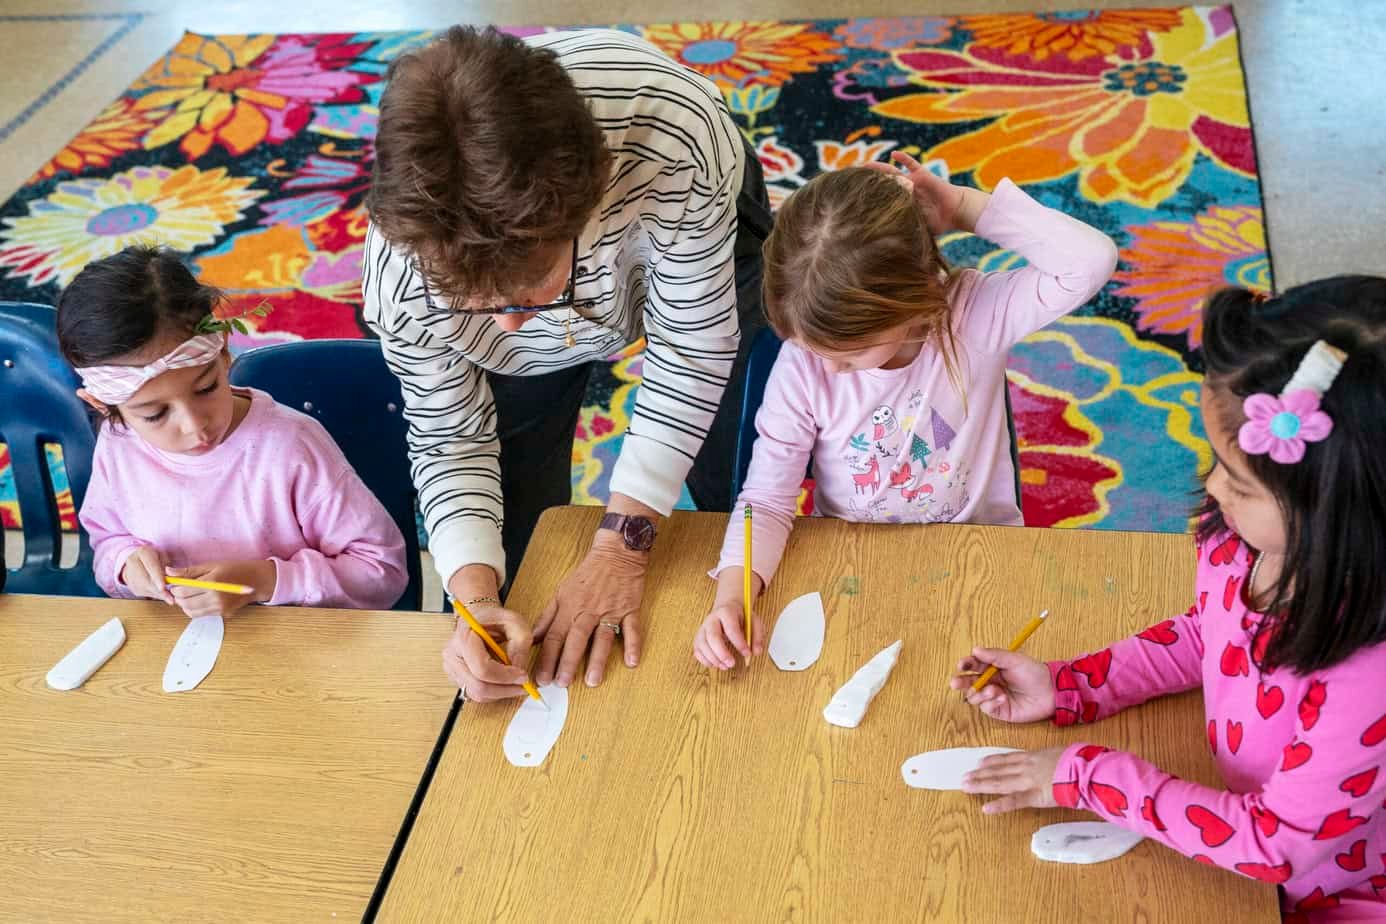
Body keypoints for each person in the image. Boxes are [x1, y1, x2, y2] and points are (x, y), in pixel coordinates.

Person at [952, 277, 1386, 921]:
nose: (1211, 488)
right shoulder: (1245, 543)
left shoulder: (1366, 674)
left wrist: (1087, 777)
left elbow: (1275, 847)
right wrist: (1072, 686)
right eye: (1214, 459)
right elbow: (1211, 635)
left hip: (1330, 887)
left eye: (1238, 482)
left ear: (1337, 512)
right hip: (1244, 843)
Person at [363, 26, 771, 697]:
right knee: (519, 543)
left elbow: (691, 346)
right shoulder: (402, 282)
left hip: (678, 205)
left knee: (738, 462)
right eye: (476, 306)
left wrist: (622, 544)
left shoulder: (675, 137)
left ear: (586, 209)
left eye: (528, 291)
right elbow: (450, 437)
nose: (511, 325)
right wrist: (472, 596)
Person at [694, 153, 1118, 669]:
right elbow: (768, 496)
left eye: (847, 354)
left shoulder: (974, 317)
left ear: (908, 304)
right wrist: (733, 596)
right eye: (812, 346)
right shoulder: (803, 364)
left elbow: (1090, 259)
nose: (827, 364)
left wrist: (962, 206)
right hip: (851, 558)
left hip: (981, 555)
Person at [60, 245, 409, 616]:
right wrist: (127, 567)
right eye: (155, 414)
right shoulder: (118, 445)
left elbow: (383, 573)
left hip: (299, 648)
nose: (195, 427)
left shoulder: (292, 448)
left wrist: (264, 580)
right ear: (104, 407)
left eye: (206, 388)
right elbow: (106, 544)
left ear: (224, 351)